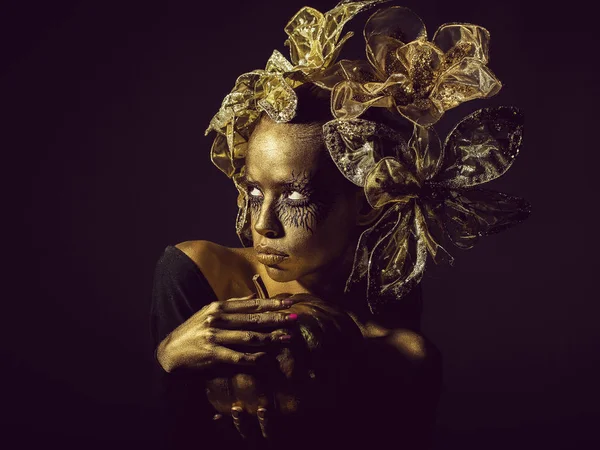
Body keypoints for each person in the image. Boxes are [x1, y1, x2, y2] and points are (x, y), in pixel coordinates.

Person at [150, 1, 529, 449]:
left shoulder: (401, 354)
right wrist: (168, 356)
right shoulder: (198, 275)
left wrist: (334, 386)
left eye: (295, 196)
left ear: (367, 204)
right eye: (254, 193)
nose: (262, 223)